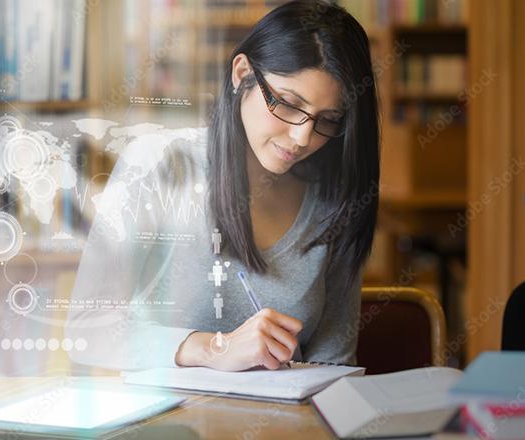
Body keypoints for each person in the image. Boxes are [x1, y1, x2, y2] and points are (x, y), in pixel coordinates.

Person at [66, 0, 379, 372]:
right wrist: (214, 348)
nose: (302, 137)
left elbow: (333, 364)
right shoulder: (158, 165)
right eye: (288, 104)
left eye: (328, 119)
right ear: (242, 73)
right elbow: (86, 332)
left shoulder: (336, 199)